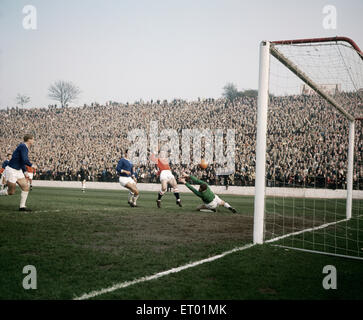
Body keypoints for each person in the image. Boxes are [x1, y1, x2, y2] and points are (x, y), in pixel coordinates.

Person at [0, 134, 37, 211]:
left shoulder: (24, 147)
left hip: (18, 170)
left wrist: (24, 171)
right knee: (11, 192)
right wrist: (32, 165)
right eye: (33, 139)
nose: (34, 141)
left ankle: (22, 207)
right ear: (29, 140)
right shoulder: (23, 146)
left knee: (25, 187)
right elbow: (24, 160)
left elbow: (21, 161)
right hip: (11, 170)